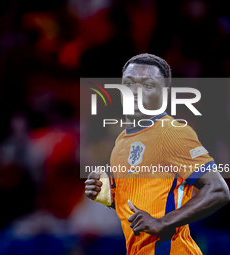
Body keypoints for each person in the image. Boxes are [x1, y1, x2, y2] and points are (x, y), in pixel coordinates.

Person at [85, 53, 230, 255]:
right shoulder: (120, 142)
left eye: (147, 85)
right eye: (129, 83)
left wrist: (163, 222)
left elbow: (218, 190)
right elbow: (142, 205)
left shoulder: (173, 132)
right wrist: (108, 197)